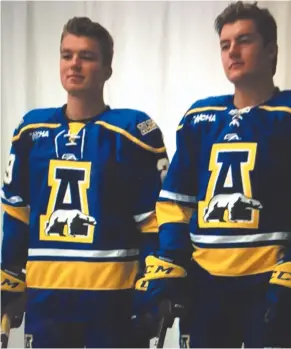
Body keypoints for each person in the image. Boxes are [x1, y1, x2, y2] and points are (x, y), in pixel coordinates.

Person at [136, 1, 291, 348]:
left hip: (272, 283)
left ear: (271, 50)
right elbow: (175, 200)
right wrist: (173, 260)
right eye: (225, 44)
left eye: (244, 40)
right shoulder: (198, 118)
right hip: (206, 288)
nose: (233, 51)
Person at [0, 17, 169, 348]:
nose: (74, 63)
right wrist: (9, 276)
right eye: (67, 55)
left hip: (112, 303)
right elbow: (17, 214)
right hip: (46, 301)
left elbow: (154, 224)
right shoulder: (30, 131)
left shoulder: (134, 132)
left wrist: (152, 292)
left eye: (87, 56)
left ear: (107, 69)